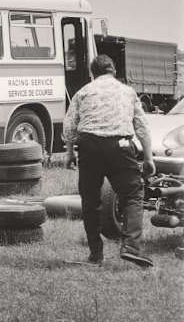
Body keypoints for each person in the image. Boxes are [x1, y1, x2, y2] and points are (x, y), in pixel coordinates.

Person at [63, 54, 156, 267]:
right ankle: (131, 247)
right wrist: (148, 158)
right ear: (113, 71)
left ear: (92, 73)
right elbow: (142, 126)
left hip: (89, 147)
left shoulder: (83, 92)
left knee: (90, 201)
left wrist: (69, 154)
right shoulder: (128, 92)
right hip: (120, 146)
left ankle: (96, 255)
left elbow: (69, 126)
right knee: (132, 194)